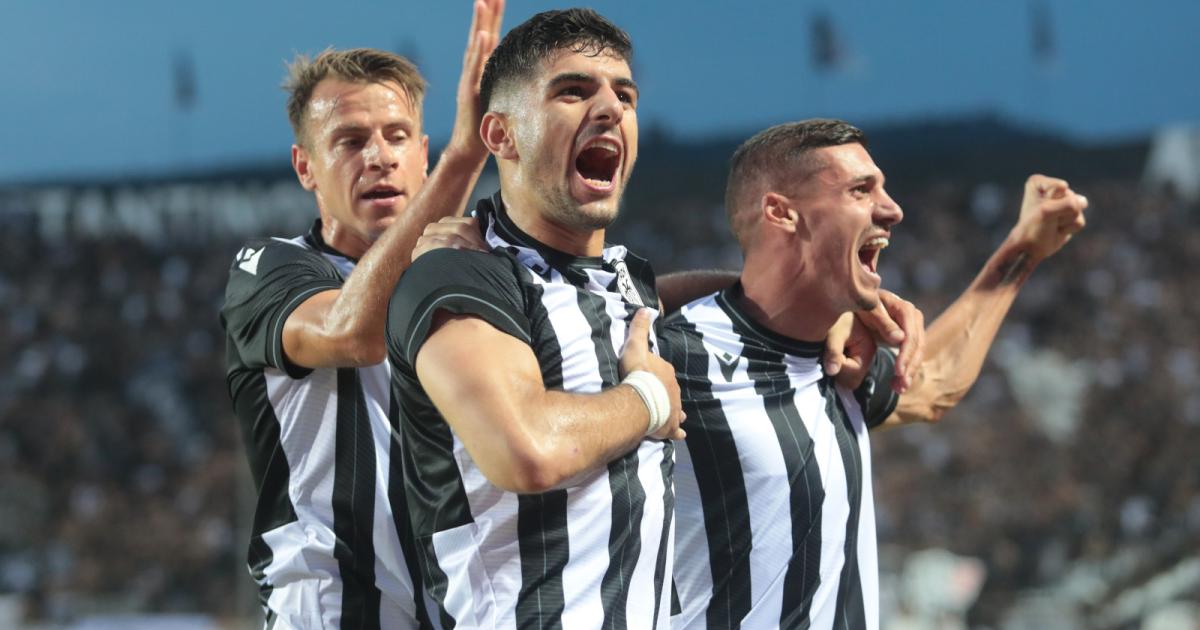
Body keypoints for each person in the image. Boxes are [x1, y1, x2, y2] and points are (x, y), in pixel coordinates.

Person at [664, 119, 1088, 629]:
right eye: (860, 190)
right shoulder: (676, 354)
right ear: (781, 212)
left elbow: (931, 385)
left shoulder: (839, 355)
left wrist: (1022, 250)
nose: (892, 209)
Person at [384, 9, 697, 627]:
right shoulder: (460, 275)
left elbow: (663, 299)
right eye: (573, 91)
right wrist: (650, 399)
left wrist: (814, 309)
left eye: (625, 96)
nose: (609, 108)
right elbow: (524, 450)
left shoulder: (621, 280)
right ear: (501, 135)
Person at [219, 2, 505, 626]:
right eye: (350, 141)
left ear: (421, 154)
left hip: (458, 606)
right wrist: (465, 156)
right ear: (305, 167)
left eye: (397, 136)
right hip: (330, 607)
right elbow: (354, 332)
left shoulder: (469, 267)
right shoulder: (270, 268)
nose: (379, 156)